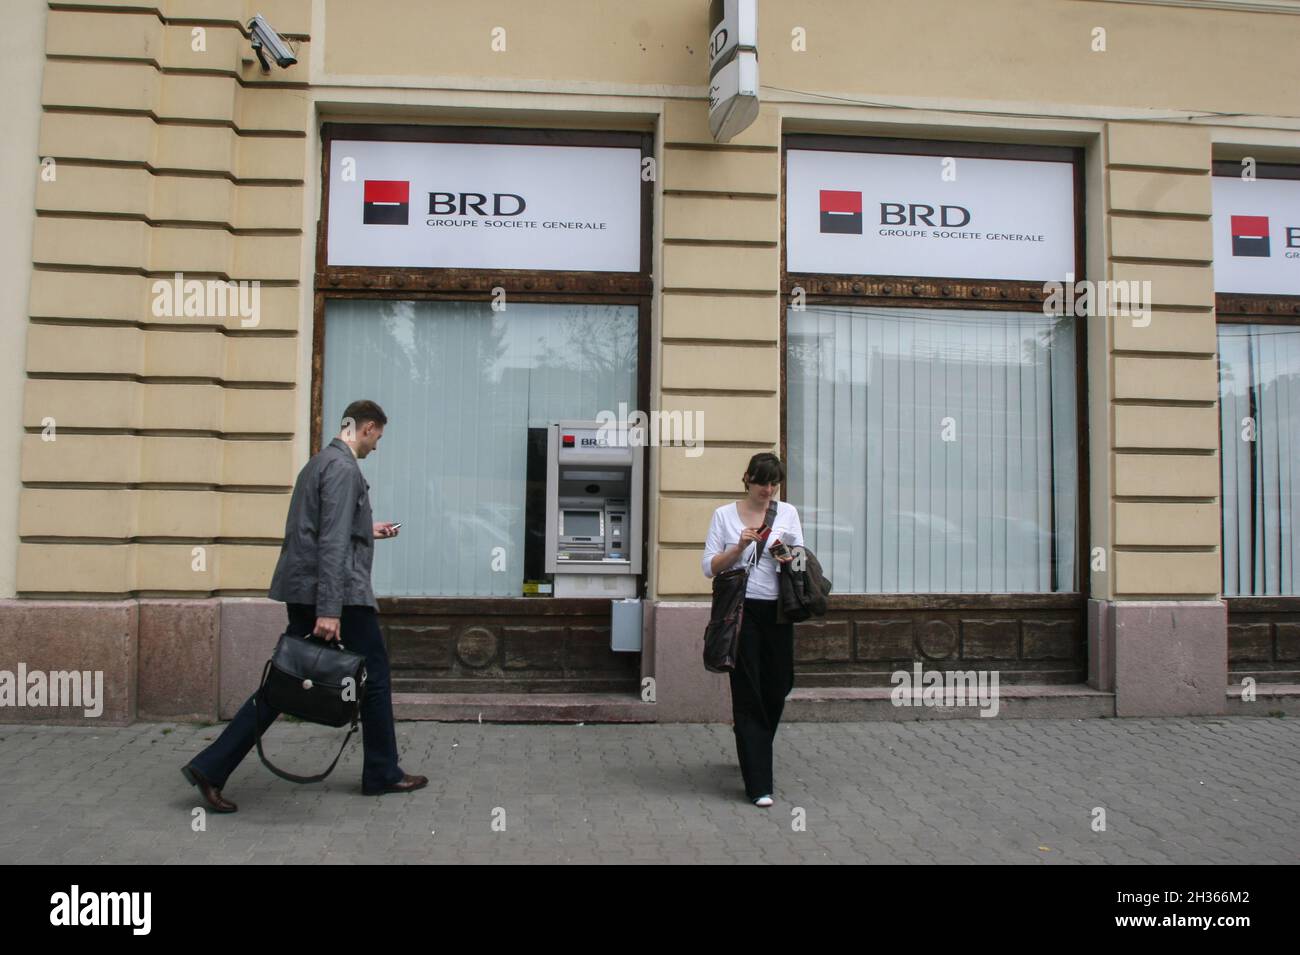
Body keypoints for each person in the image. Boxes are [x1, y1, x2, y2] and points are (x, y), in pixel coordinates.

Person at [181, 400, 426, 812]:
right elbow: (330, 541)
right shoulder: (345, 468)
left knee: (284, 682)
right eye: (378, 437)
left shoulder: (318, 463)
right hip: (337, 595)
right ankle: (383, 772)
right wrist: (329, 610)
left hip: (307, 589)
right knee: (376, 676)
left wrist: (368, 529)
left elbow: (318, 527)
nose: (377, 447)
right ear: (366, 428)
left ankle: (211, 766)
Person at [702, 451, 804, 808]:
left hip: (777, 611)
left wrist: (786, 554)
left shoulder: (787, 513)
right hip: (741, 613)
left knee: (779, 685)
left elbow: (801, 559)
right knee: (748, 691)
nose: (768, 489)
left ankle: (750, 739)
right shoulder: (724, 516)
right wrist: (740, 546)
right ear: (747, 479)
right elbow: (710, 567)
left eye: (774, 483)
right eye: (762, 482)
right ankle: (759, 784)